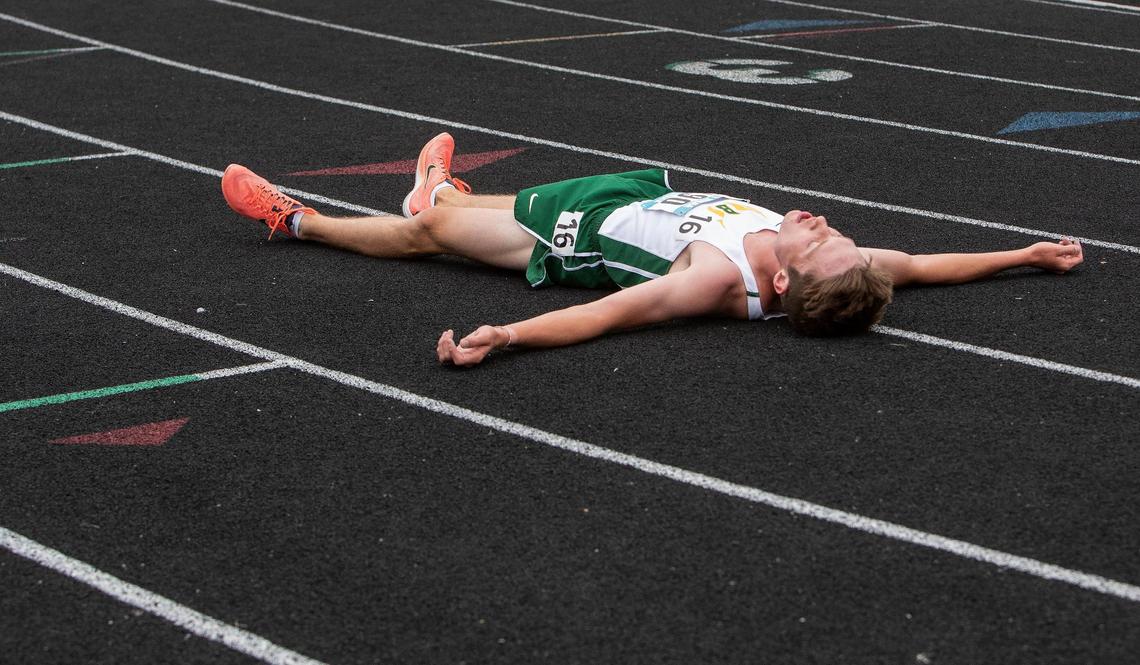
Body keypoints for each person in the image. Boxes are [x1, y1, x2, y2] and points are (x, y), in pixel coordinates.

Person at [221, 133, 1084, 366]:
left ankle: (295, 220)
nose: (825, 221)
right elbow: (930, 267)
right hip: (640, 199)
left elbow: (604, 313)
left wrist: (508, 335)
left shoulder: (714, 281)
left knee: (431, 237)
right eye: (841, 234)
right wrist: (1024, 256)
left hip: (577, 241)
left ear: (780, 280)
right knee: (461, 207)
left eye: (820, 238)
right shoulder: (855, 274)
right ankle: (440, 188)